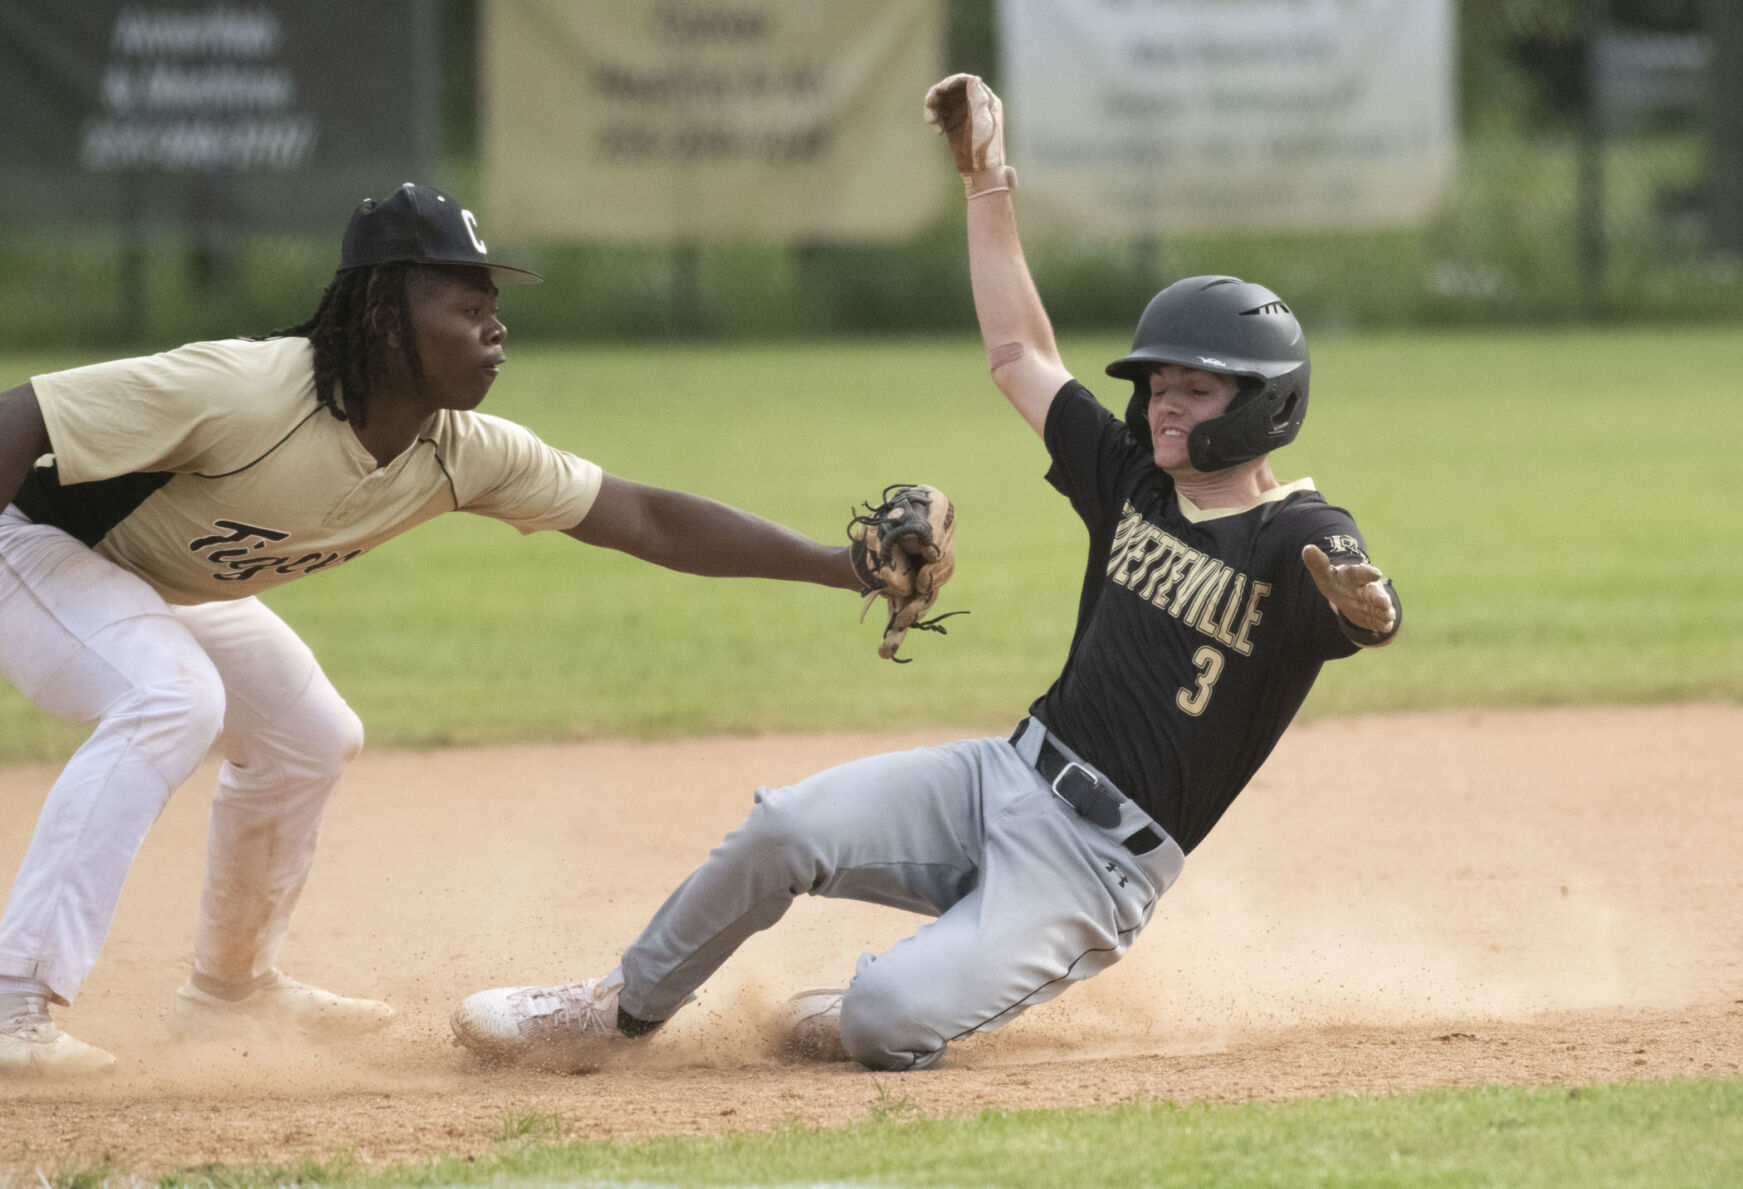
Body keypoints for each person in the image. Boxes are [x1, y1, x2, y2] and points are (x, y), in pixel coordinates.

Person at [448, 73, 1401, 1073]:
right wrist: (986, 178)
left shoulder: (1299, 530)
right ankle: (616, 1009)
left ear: (1264, 406)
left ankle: (879, 1003)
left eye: (1193, 391)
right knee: (785, 826)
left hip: (1100, 868)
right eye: (1158, 386)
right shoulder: (1134, 483)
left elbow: (1358, 596)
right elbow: (1018, 351)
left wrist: (1367, 605)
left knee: (882, 1022)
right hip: (1002, 775)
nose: (1164, 406)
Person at [0, 182, 882, 1078]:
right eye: (467, 306)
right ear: (386, 313)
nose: (494, 328)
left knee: (309, 735)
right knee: (171, 695)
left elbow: (646, 517)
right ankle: (11, 1000)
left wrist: (841, 565)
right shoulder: (248, 390)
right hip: (30, 543)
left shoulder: (459, 449)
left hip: (155, 575)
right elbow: (20, 413)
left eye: (494, 307)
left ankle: (229, 990)